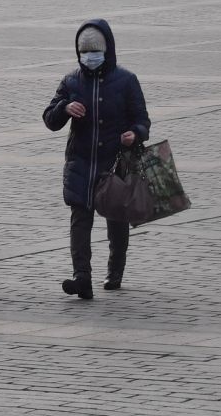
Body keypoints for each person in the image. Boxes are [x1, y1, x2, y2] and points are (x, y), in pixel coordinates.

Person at [42, 18, 151, 300]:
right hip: (80, 163)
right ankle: (82, 278)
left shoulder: (126, 81)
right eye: (84, 52)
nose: (89, 57)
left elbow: (142, 121)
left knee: (116, 220)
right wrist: (65, 108)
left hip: (114, 163)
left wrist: (134, 134)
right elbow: (50, 119)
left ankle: (115, 271)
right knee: (80, 220)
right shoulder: (71, 82)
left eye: (95, 51)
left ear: (107, 50)